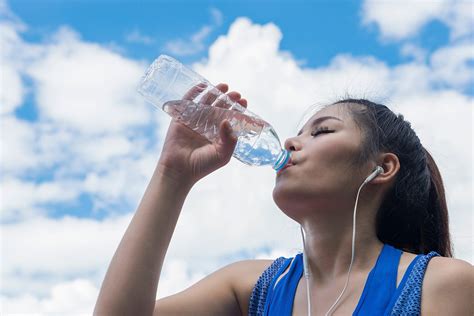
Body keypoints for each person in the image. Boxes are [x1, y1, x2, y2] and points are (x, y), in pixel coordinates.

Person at [94, 83, 473, 315]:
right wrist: (172, 176)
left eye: (322, 131)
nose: (291, 142)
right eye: (296, 132)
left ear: (383, 167)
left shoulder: (440, 284)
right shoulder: (255, 286)